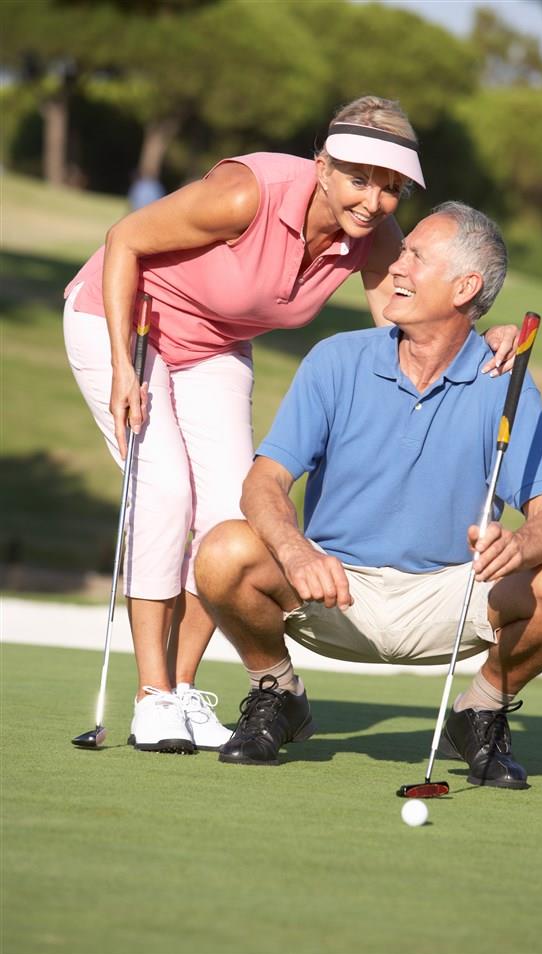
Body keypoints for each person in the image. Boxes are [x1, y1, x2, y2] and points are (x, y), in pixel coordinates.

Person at [63, 96, 519, 756]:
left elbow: (412, 327)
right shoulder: (246, 193)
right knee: (164, 491)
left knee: (229, 514)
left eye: (391, 187)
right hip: (127, 324)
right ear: (322, 165)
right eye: (359, 179)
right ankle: (151, 695)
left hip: (216, 345)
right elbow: (124, 239)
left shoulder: (376, 237)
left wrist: (485, 337)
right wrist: (118, 367)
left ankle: (182, 691)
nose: (374, 201)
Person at [195, 201, 542, 788]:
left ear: (465, 287)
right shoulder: (337, 359)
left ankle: (480, 711)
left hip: (453, 595)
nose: (396, 267)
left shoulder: (505, 382)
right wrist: (294, 550)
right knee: (223, 551)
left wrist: (520, 546)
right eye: (402, 252)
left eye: (416, 257)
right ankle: (276, 694)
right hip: (333, 588)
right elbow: (265, 481)